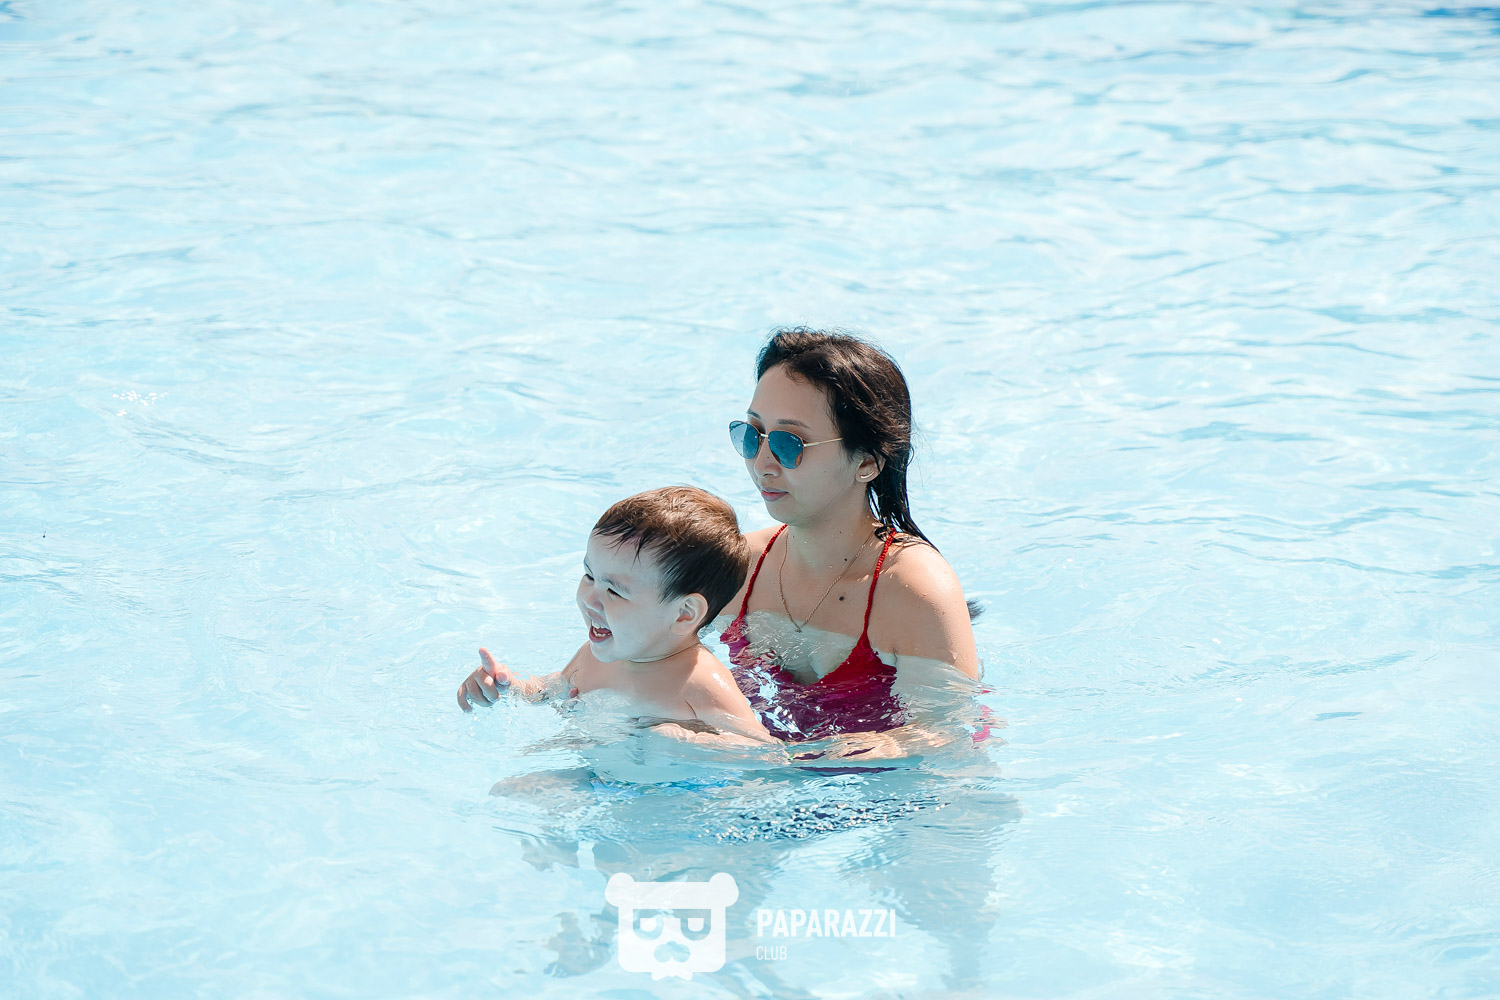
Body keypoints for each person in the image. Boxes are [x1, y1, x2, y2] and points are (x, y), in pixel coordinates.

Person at [718, 328, 981, 742]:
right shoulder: (736, 567)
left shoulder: (912, 590)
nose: (762, 463)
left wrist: (812, 759)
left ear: (866, 463)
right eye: (752, 434)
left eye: (790, 443)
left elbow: (948, 735)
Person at [456, 487, 774, 746]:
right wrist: (508, 687)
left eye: (614, 591)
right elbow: (550, 691)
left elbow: (763, 753)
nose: (589, 600)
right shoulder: (593, 656)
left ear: (684, 614)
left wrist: (689, 742)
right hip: (601, 776)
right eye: (589, 576)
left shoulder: (700, 683)